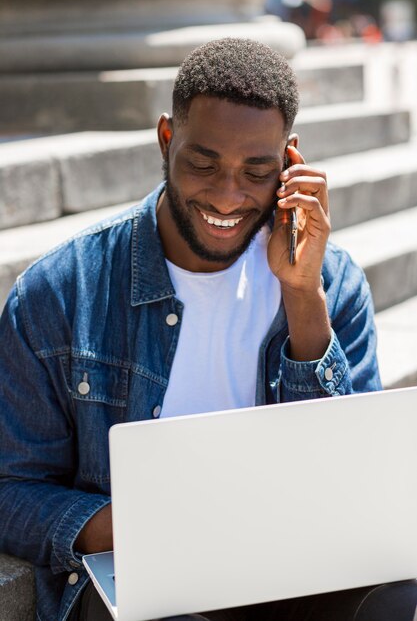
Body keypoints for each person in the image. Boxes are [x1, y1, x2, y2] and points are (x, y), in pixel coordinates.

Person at [0, 37, 415, 621]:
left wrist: (301, 297)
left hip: (295, 576)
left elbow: (358, 487)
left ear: (289, 161)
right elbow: (10, 490)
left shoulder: (330, 282)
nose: (228, 194)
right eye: (203, 162)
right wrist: (135, 525)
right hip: (154, 587)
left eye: (257, 170)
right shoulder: (59, 293)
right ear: (166, 139)